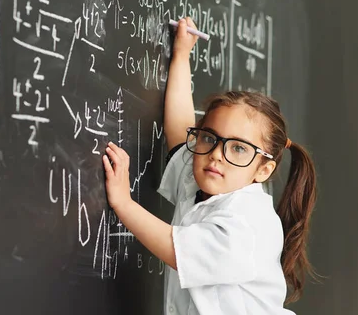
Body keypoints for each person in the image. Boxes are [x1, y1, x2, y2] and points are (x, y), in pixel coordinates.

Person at [102, 18, 318, 315]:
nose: (217, 154)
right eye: (209, 138)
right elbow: (180, 132)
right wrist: (181, 56)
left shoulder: (248, 222)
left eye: (239, 148)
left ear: (264, 170)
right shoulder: (203, 181)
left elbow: (177, 250)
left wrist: (124, 204)